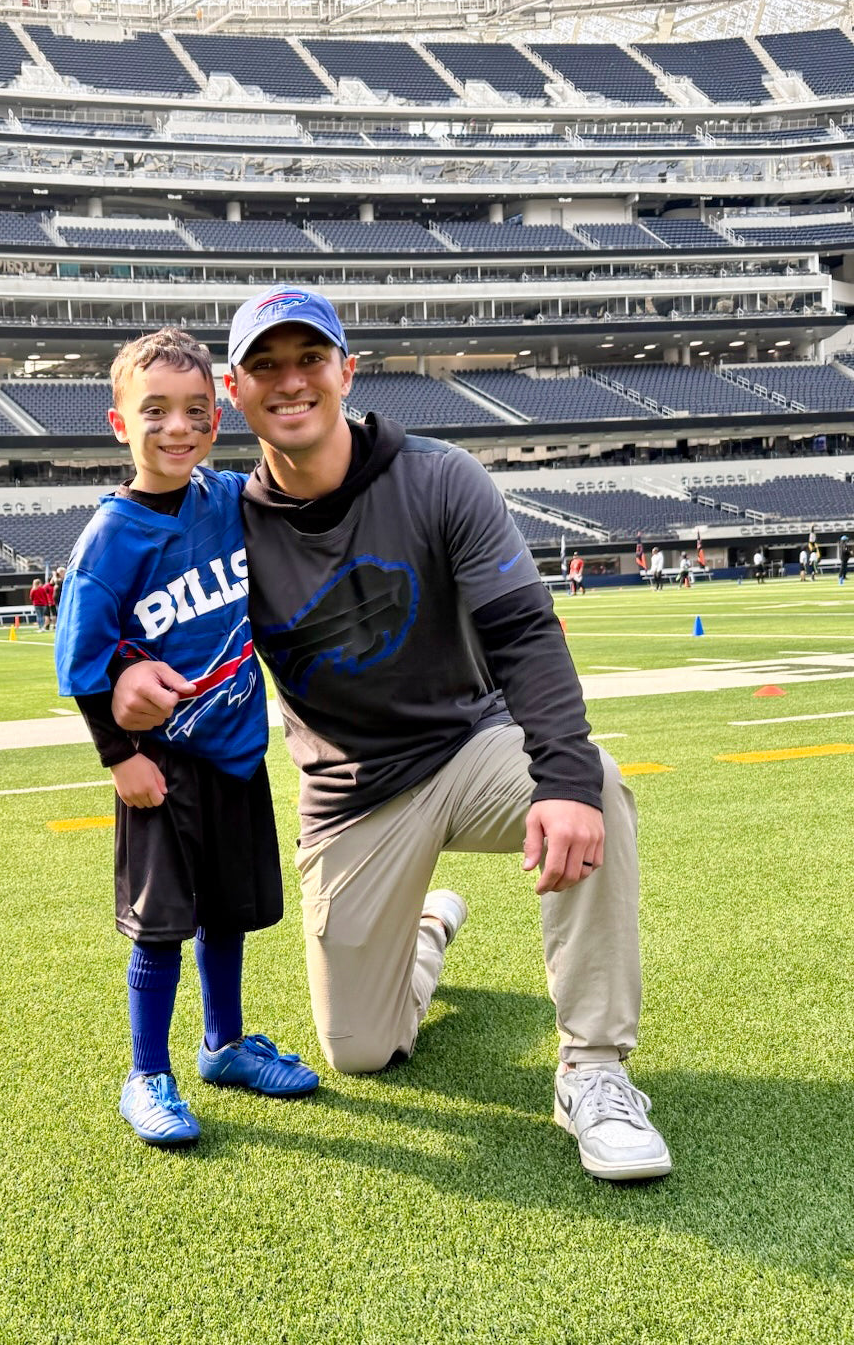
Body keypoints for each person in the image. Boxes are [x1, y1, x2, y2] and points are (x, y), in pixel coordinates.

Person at [112, 286, 671, 1182]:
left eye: (308, 360)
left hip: (470, 748)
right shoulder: (222, 522)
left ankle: (595, 1069)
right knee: (359, 1050)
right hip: (351, 797)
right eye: (266, 366)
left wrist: (562, 779)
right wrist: (123, 684)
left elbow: (526, 630)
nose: (290, 382)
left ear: (346, 371)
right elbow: (130, 613)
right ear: (234, 392)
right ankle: (426, 932)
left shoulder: (440, 477)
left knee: (595, 780)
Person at [55, 326, 318, 1149]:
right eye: (156, 411)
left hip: (236, 751)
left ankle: (226, 1044)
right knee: (161, 923)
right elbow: (80, 661)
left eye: (196, 410)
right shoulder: (109, 538)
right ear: (118, 422)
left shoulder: (226, 497)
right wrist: (120, 754)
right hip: (162, 767)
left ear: (218, 415)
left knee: (229, 913)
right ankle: (146, 1072)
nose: (178, 427)